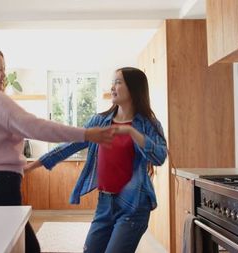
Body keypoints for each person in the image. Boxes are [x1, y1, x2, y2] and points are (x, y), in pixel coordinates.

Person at [0, 47, 116, 253]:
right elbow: (36, 127)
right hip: (1, 186)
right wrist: (86, 134)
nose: (3, 75)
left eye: (4, 69)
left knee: (13, 247)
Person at [26, 67, 167, 253]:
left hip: (134, 206)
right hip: (105, 203)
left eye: (118, 82)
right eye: (112, 82)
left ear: (133, 88)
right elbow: (70, 145)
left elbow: (159, 157)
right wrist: (31, 166)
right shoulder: (100, 121)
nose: (112, 87)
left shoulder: (148, 124)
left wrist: (133, 133)